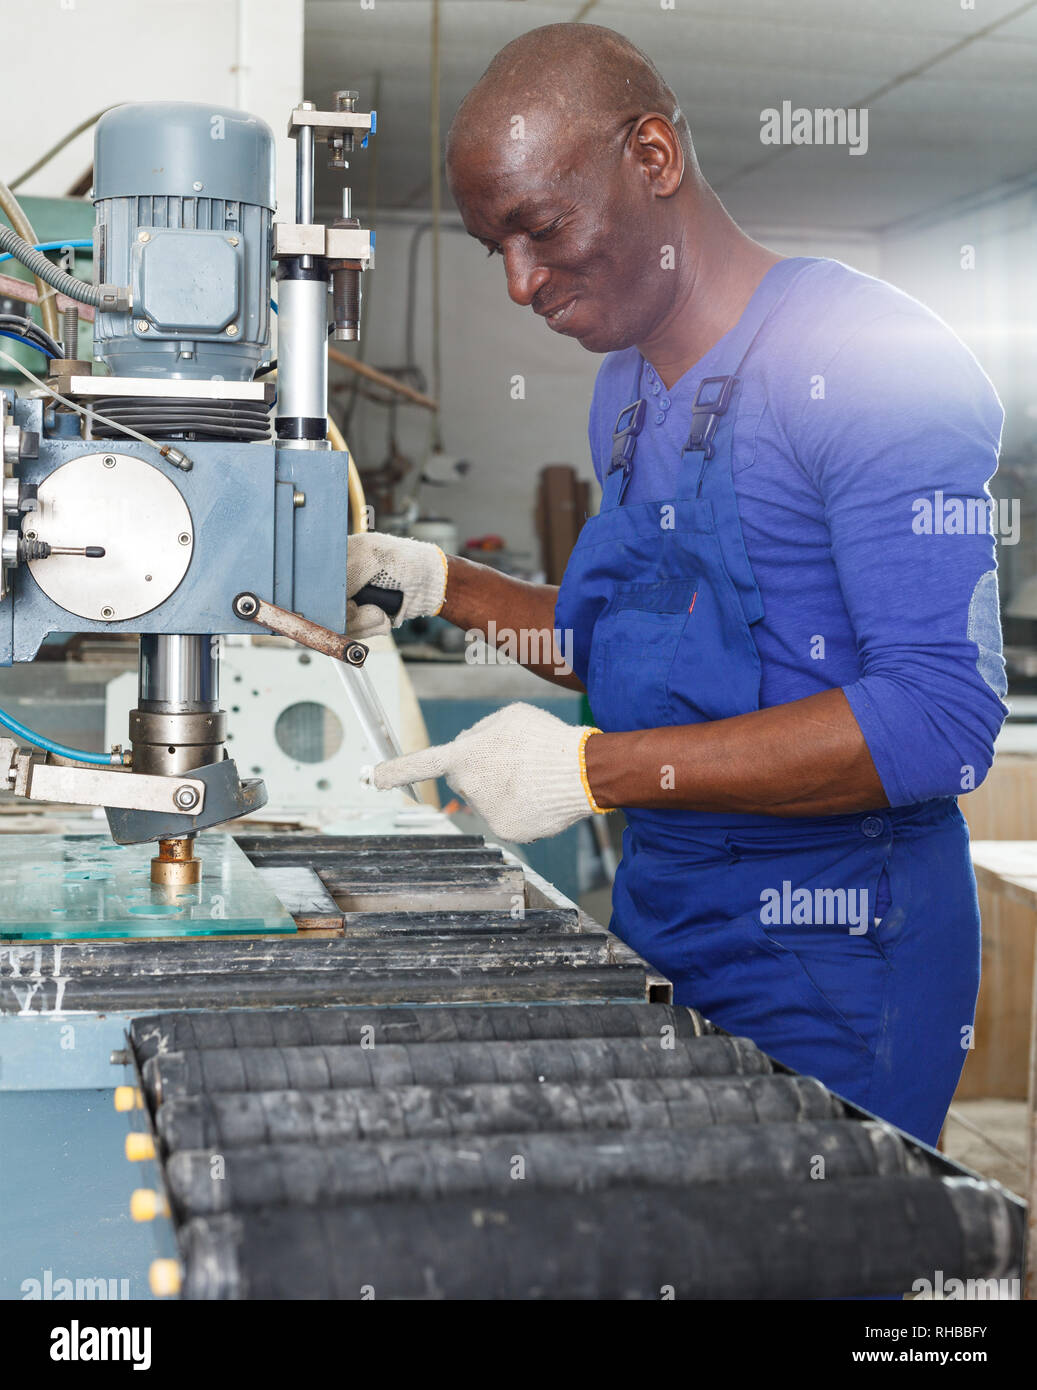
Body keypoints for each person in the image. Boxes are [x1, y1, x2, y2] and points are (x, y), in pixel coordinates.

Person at [347, 24, 1006, 1147]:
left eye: (540, 228)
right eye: (488, 246)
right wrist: (428, 579)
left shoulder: (864, 357)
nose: (516, 283)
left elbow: (939, 717)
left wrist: (591, 769)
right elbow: (635, 645)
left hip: (836, 950)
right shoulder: (627, 390)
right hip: (667, 914)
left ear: (651, 156)